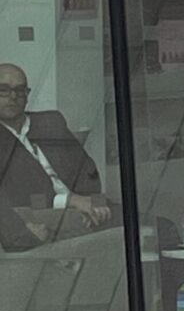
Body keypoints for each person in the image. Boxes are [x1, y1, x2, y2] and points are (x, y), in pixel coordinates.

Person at [0, 63, 112, 231]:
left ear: (27, 95)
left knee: (157, 224)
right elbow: (15, 196)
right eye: (3, 90)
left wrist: (96, 203)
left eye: (20, 90)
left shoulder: (51, 122)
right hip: (42, 214)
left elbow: (87, 170)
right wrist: (71, 201)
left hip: (84, 205)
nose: (13, 96)